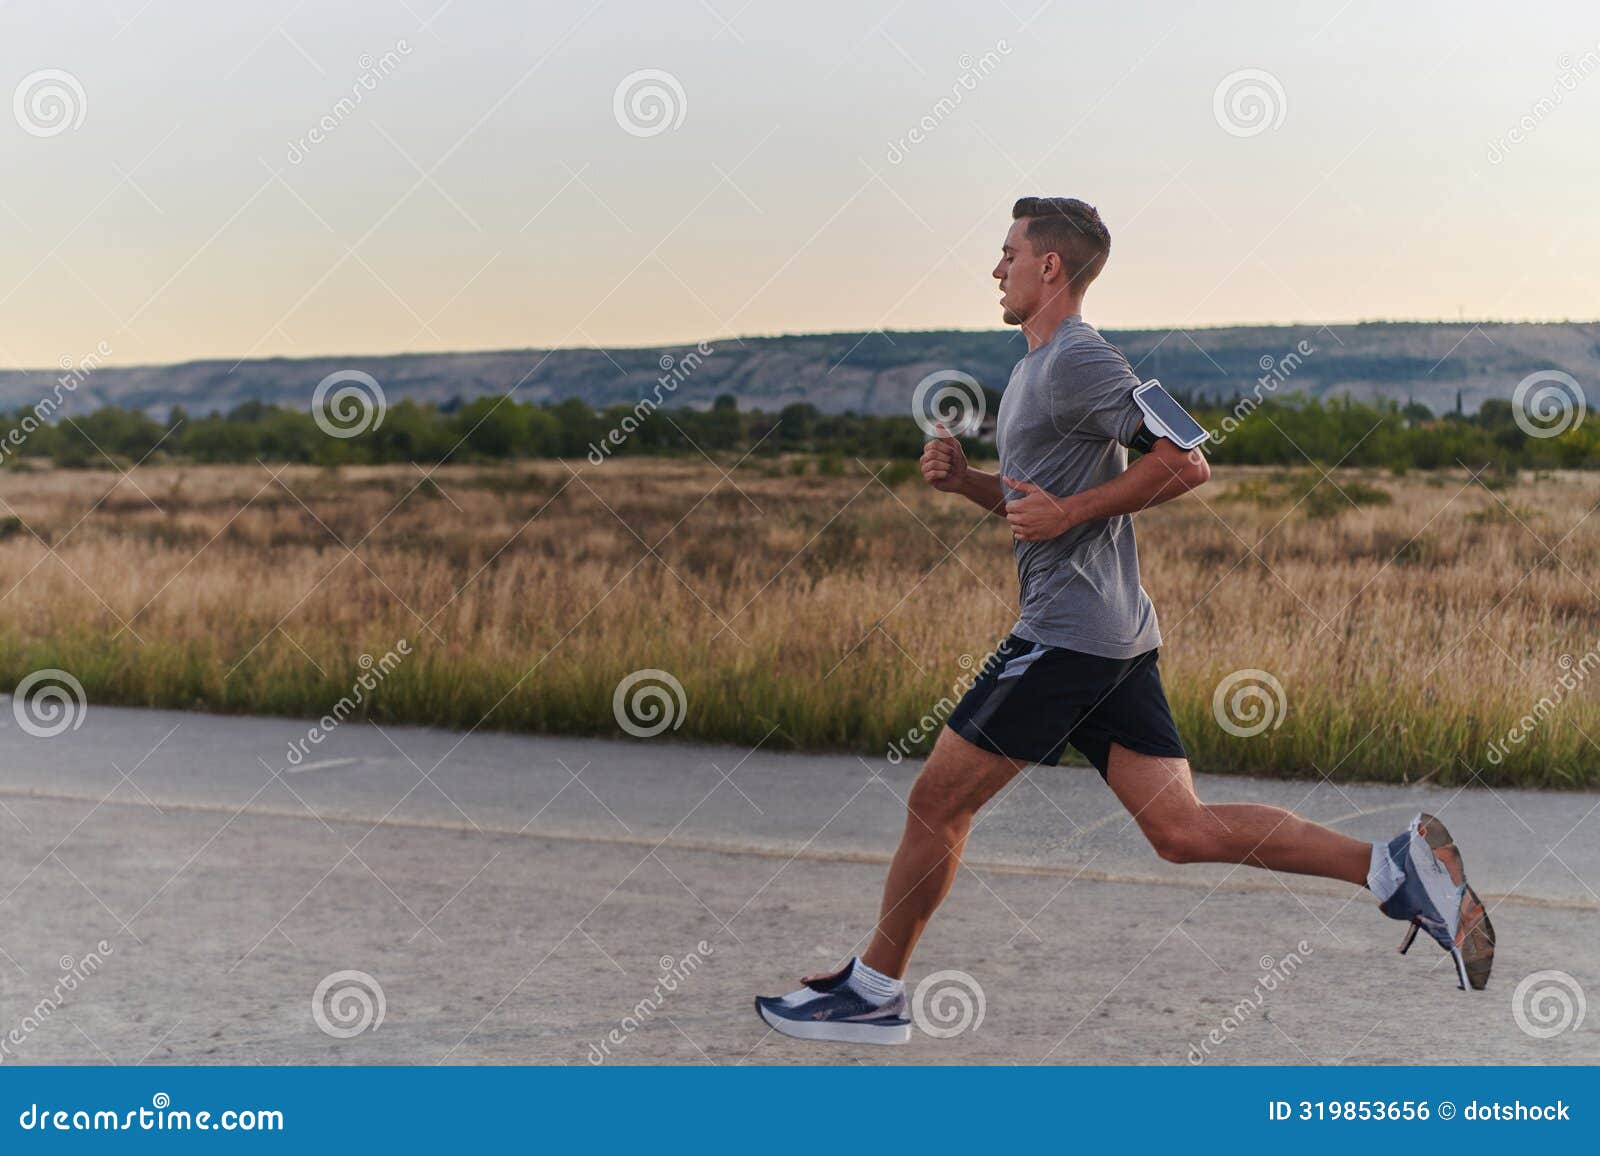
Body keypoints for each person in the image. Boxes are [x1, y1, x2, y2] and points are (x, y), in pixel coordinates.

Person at [754, 196, 1494, 1045]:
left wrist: (1069, 517)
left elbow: (1188, 463)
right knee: (1181, 831)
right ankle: (1392, 867)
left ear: (1051, 268)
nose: (995, 268)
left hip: (1067, 637)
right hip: (1113, 637)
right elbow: (1042, 502)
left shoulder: (1080, 360)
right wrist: (971, 486)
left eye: (1007, 253)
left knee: (935, 803)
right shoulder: (1036, 366)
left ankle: (873, 991)